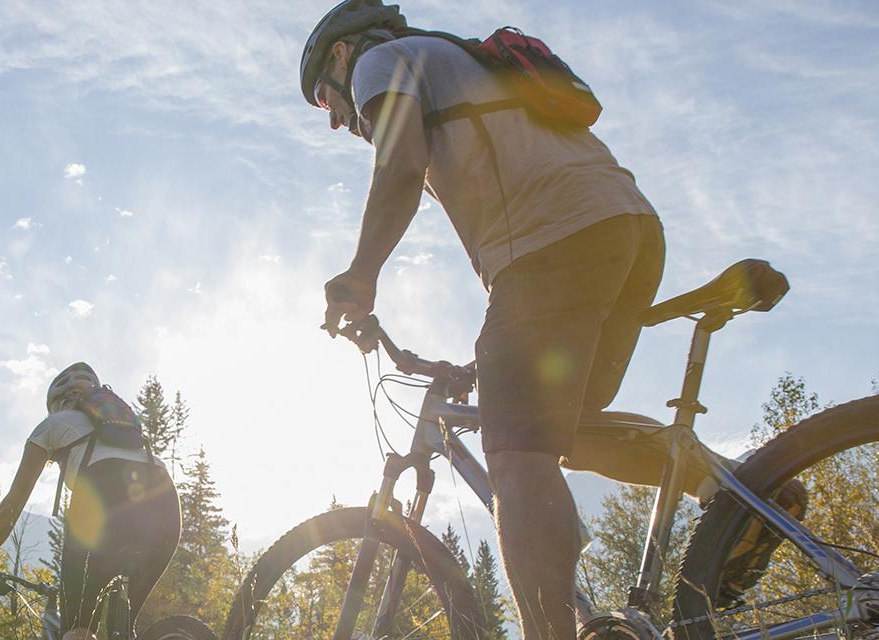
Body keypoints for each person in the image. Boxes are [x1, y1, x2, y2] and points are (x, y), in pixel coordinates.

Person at [301, 2, 806, 637]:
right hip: (625, 225)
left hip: (550, 242)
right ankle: (743, 497)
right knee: (561, 430)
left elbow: (399, 165)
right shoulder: (456, 62)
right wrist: (480, 364)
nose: (337, 120)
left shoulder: (380, 61)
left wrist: (360, 274)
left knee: (516, 456)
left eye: (325, 102)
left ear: (342, 56)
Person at [0, 362, 181, 640]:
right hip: (164, 501)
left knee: (79, 628)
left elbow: (14, 503)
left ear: (55, 403)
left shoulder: (53, 425)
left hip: (106, 494)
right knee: (123, 628)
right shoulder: (124, 428)